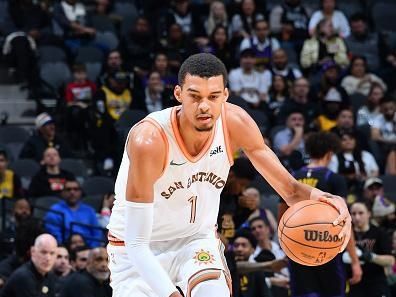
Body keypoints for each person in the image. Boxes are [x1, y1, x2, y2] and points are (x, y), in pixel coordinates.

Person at [106, 53, 351, 297]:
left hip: (195, 240)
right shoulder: (149, 140)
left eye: (213, 97)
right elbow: (136, 244)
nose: (204, 106)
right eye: (195, 96)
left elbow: (291, 190)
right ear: (178, 94)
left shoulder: (235, 122)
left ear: (225, 95)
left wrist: (327, 200)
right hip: (136, 247)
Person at [279, 131, 362, 297]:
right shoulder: (334, 178)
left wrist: (286, 246)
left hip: (297, 246)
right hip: (327, 244)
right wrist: (354, 261)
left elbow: (282, 216)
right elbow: (344, 222)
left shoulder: (293, 178)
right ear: (330, 154)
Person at [348, 202, 395, 297]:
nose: (357, 217)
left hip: (376, 284)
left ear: (369, 214)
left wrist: (371, 256)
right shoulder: (346, 234)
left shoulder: (379, 233)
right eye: (353, 214)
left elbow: (391, 260)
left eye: (361, 213)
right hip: (354, 286)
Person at [44, 179, 103, 247]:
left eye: (75, 189)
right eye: (68, 189)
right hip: (66, 247)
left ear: (80, 192)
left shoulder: (89, 210)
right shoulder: (55, 210)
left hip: (88, 248)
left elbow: (97, 233)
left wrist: (92, 249)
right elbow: (55, 234)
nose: (72, 192)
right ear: (62, 192)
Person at [233, 230, 272, 297]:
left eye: (244, 245)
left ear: (253, 250)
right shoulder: (227, 269)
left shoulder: (257, 271)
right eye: (236, 245)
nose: (239, 249)